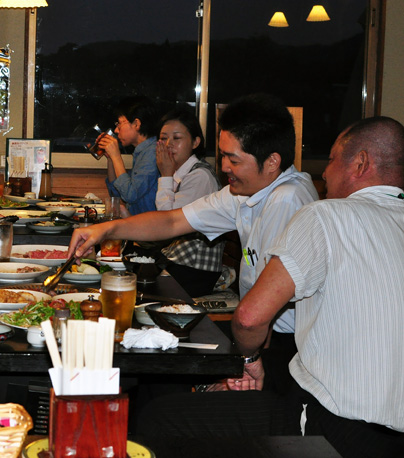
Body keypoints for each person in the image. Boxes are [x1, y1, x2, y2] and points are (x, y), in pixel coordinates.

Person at [137, 116, 404, 458]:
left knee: (159, 416)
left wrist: (248, 359)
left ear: (362, 163)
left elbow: (249, 318)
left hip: (337, 429)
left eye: (333, 158)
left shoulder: (325, 214)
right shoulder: (258, 194)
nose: (325, 172)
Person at [69, 93, 319, 391]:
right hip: (254, 333)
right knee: (155, 370)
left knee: (162, 393)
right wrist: (107, 230)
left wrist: (243, 360)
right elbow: (173, 220)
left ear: (272, 162)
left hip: (284, 349)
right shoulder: (247, 190)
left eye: (233, 159)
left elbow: (259, 317)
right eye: (222, 155)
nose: (224, 166)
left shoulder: (287, 200)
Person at [154, 108, 224, 297]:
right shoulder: (182, 173)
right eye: (163, 138)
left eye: (177, 138)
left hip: (195, 271)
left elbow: (166, 222)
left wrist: (166, 175)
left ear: (195, 142)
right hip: (178, 263)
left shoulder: (199, 176)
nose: (168, 145)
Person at [97, 96, 159, 215]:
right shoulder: (142, 152)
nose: (116, 130)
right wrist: (111, 159)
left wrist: (116, 156)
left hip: (148, 228)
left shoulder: (153, 153)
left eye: (119, 123)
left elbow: (130, 195)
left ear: (136, 124)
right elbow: (116, 193)